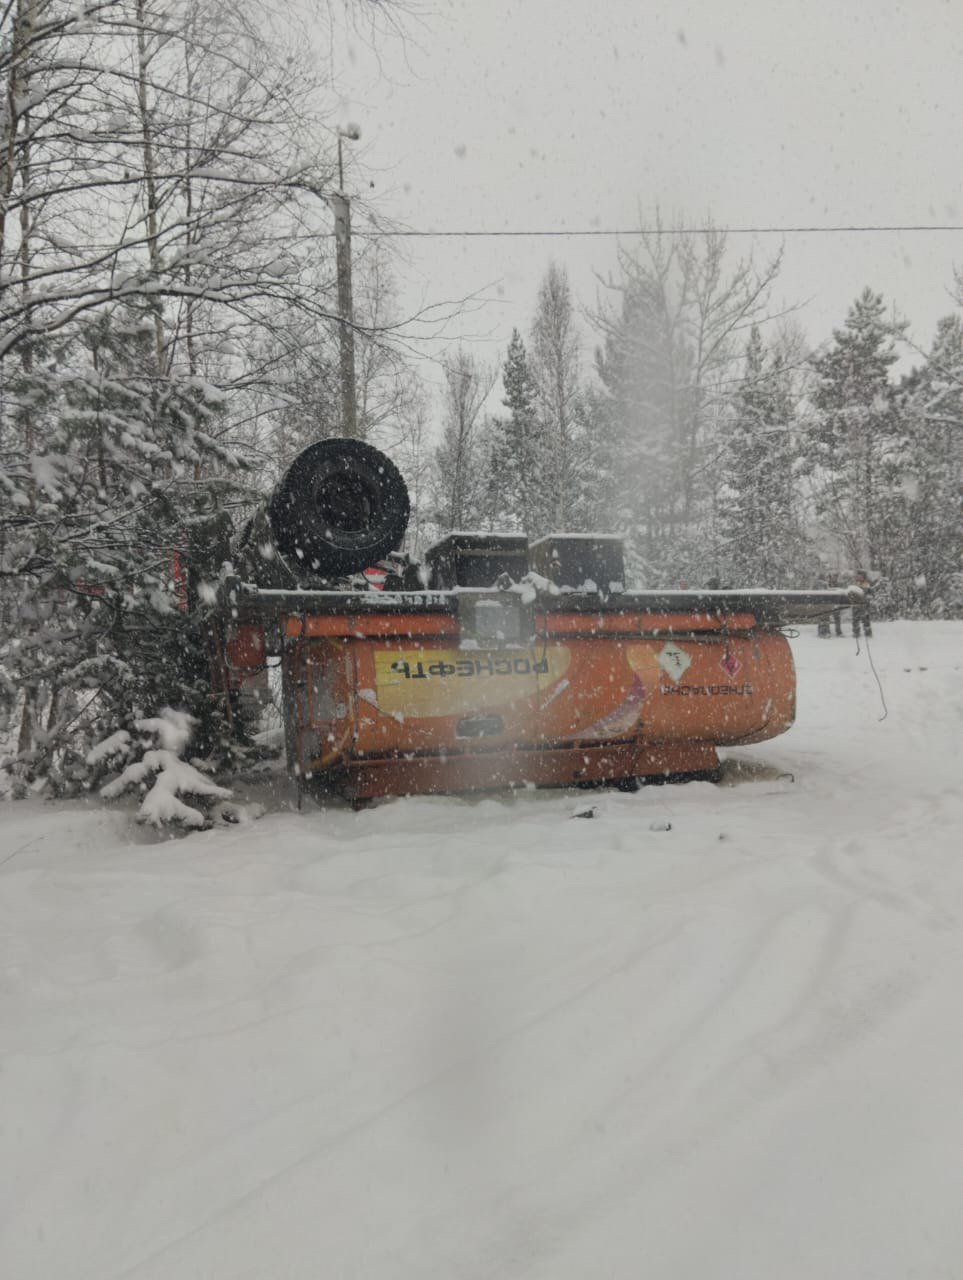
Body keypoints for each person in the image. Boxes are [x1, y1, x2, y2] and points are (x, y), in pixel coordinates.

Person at [851, 569, 873, 638]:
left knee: (866, 620)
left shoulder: (867, 584)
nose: (859, 577)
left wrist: (867, 598)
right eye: (858, 576)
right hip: (856, 605)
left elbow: (870, 594)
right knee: (855, 619)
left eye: (860, 576)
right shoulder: (855, 584)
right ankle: (856, 632)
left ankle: (868, 633)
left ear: (863, 577)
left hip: (864, 605)